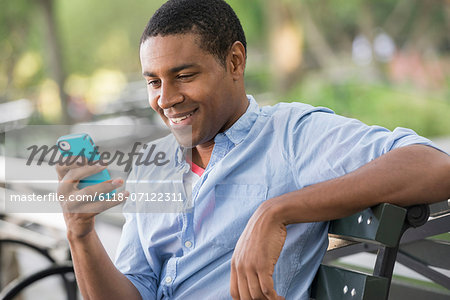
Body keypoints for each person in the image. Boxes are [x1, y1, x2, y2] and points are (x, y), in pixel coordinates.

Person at [56, 0, 450, 299]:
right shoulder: (152, 163)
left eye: (185, 76)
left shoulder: (291, 136)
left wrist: (277, 211)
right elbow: (135, 289)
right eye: (153, 82)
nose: (166, 98)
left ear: (235, 61)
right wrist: (81, 234)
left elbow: (433, 167)